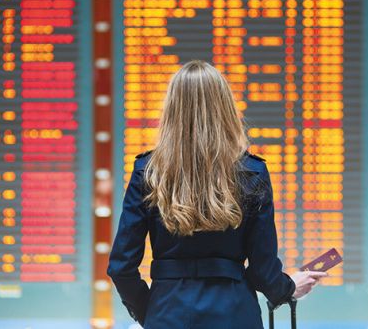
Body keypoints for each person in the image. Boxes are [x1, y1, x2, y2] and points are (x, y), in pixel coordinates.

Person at [107, 60, 327, 328]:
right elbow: (262, 268)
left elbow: (121, 268)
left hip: (167, 312)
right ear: (225, 107)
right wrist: (288, 287)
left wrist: (150, 312)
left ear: (171, 109)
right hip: (235, 314)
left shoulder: (148, 172)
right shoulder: (252, 172)